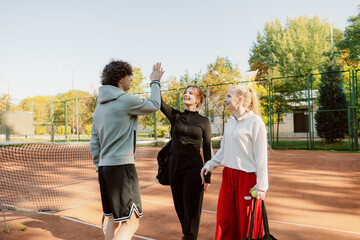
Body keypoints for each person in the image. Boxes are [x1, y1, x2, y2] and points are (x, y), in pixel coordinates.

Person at [90, 60, 164, 240]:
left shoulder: (99, 108)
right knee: (131, 223)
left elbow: (94, 143)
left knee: (111, 218)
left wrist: (100, 165)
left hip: (104, 169)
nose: (131, 80)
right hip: (122, 168)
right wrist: (155, 81)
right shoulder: (125, 100)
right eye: (129, 76)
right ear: (121, 78)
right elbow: (154, 104)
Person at [200, 84, 268, 240]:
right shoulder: (230, 122)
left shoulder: (255, 122)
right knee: (225, 220)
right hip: (228, 176)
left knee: (247, 224)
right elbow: (224, 151)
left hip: (247, 179)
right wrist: (209, 165)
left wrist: (261, 187)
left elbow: (261, 157)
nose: (225, 99)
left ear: (240, 99)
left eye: (229, 96)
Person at [160, 85, 212, 240]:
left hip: (194, 168)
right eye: (185, 92)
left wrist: (208, 176)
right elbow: (159, 103)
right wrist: (155, 82)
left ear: (197, 100)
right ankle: (187, 235)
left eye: (191, 93)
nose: (186, 95)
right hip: (174, 165)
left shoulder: (204, 121)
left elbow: (207, 148)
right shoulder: (176, 116)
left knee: (193, 206)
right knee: (179, 205)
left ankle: (190, 237)